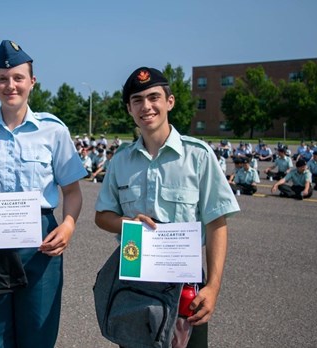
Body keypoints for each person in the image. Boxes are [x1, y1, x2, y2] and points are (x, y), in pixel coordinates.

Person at [0, 40, 86, 348]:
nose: (10, 85)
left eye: (18, 78)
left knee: (38, 333)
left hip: (40, 245)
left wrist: (67, 225)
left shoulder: (54, 131)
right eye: (2, 79)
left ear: (32, 82)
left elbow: (73, 191)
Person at [94, 67, 240, 347]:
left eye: (153, 97)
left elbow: (216, 224)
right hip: (135, 282)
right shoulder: (121, 161)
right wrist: (128, 223)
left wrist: (213, 286)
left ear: (169, 102)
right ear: (129, 109)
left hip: (185, 284)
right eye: (137, 100)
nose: (146, 106)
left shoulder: (197, 156)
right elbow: (102, 216)